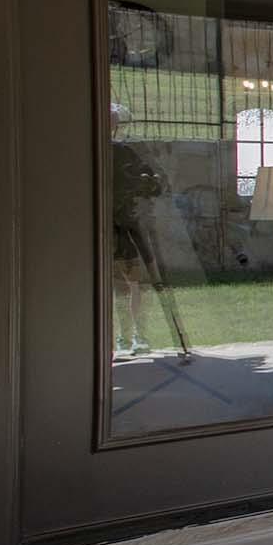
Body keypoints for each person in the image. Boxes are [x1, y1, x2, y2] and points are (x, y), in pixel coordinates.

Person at [110, 101, 163, 359]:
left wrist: (145, 183)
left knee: (134, 282)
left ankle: (137, 335)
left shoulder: (125, 153)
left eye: (113, 122)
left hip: (124, 225)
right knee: (115, 285)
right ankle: (120, 335)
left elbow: (152, 182)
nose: (110, 126)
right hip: (98, 227)